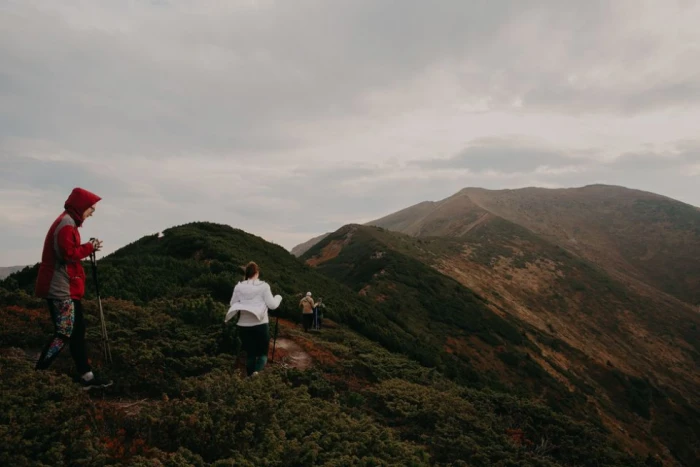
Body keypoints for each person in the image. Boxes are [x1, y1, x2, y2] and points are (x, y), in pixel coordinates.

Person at [34, 187, 113, 390]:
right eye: (90, 209)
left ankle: (86, 377)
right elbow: (67, 254)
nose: (92, 213)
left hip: (65, 287)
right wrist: (90, 247)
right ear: (81, 206)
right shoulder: (66, 224)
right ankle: (38, 373)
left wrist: (88, 246)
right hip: (60, 289)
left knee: (77, 331)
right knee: (64, 333)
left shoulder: (68, 223)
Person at [225, 261, 282, 377]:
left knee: (250, 354)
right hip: (260, 324)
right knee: (262, 354)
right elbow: (272, 305)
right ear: (257, 272)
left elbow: (233, 303)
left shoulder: (239, 286)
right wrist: (278, 297)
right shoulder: (264, 286)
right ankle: (256, 373)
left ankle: (250, 375)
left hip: (243, 326)